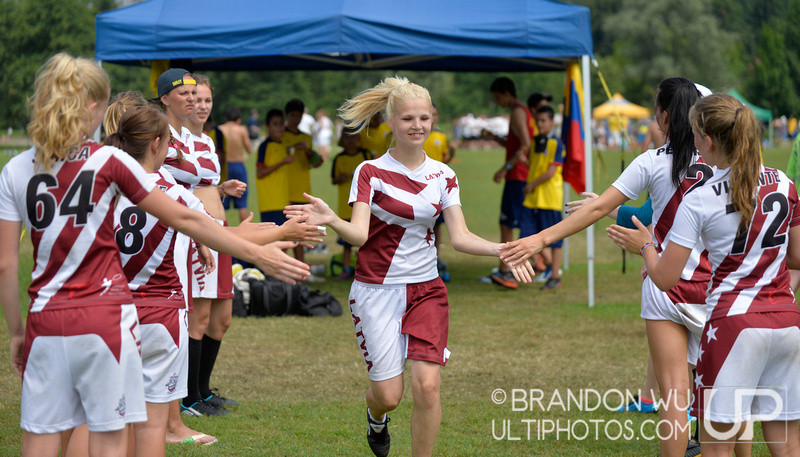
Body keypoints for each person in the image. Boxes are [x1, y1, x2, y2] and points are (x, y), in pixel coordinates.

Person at [0, 53, 310, 457]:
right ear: (94, 105)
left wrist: (17, 332)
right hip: (107, 316)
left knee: (43, 438)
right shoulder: (108, 162)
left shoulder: (16, 168)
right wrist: (257, 254)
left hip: (45, 317)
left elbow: (7, 263)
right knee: (113, 435)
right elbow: (188, 219)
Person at [284, 76, 534, 457]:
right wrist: (333, 219)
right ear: (390, 121)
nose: (417, 126)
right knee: (388, 395)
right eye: (407, 119)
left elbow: (461, 237)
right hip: (376, 291)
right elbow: (358, 235)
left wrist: (503, 249)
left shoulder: (444, 176)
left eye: (424, 117)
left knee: (427, 386)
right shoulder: (369, 172)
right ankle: (375, 416)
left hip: (427, 290)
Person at [500, 78, 711, 457]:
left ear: (663, 116)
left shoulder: (651, 161)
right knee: (715, 396)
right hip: (713, 287)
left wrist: (539, 239)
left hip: (664, 285)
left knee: (674, 395)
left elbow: (598, 209)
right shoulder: (719, 163)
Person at [109, 104, 323, 457]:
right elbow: (212, 233)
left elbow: (214, 233)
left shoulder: (106, 183)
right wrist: (277, 235)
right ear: (155, 144)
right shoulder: (167, 192)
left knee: (109, 419)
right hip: (160, 311)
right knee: (150, 424)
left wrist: (260, 233)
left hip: (112, 310)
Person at [607, 94, 795, 457]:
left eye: (693, 134)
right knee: (787, 446)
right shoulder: (785, 183)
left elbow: (664, 278)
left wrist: (646, 245)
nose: (689, 142)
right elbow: (798, 255)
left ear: (708, 142)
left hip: (734, 325)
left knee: (715, 448)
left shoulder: (700, 197)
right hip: (787, 323)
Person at [182, 75, 246, 419]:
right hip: (199, 234)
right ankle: (189, 398)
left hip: (218, 231)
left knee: (222, 320)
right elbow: (175, 193)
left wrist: (221, 190)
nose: (201, 105)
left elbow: (201, 187)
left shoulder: (207, 140)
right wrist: (198, 235)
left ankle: (203, 390)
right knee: (200, 316)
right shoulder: (172, 140)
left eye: (206, 100)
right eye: (194, 98)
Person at [484, 76, 537, 289]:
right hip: (520, 174)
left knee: (508, 224)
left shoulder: (516, 112)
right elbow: (516, 143)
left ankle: (507, 271)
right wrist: (495, 138)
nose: (497, 102)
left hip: (517, 175)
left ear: (506, 93)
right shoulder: (522, 111)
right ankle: (508, 268)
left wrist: (504, 169)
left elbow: (524, 145)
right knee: (513, 222)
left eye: (498, 97)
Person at [522, 105, 565, 290]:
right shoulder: (534, 142)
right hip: (533, 199)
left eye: (543, 121)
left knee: (555, 240)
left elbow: (550, 172)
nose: (540, 124)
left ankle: (555, 275)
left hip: (549, 198)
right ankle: (547, 266)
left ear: (552, 122)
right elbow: (533, 165)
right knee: (528, 234)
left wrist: (531, 184)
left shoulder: (556, 143)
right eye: (537, 120)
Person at [283, 98, 323, 274]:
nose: (296, 119)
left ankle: (301, 268)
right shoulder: (281, 135)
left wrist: (307, 151)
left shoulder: (306, 137)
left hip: (302, 189)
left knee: (300, 231)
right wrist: (292, 147)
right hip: (283, 189)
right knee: (282, 232)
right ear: (287, 115)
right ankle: (280, 267)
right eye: (292, 115)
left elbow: (316, 162)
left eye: (298, 116)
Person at [330, 127, 372, 280]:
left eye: (353, 137)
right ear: (342, 140)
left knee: (365, 240)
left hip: (365, 206)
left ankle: (365, 269)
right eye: (347, 137)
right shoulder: (339, 158)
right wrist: (341, 178)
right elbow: (333, 179)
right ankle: (346, 269)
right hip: (345, 206)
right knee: (346, 243)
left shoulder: (365, 155)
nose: (350, 141)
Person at [423, 104, 456, 280]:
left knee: (437, 224)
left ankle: (436, 257)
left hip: (436, 185)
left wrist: (452, 153)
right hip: (419, 184)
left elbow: (444, 162)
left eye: (435, 114)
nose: (432, 117)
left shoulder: (441, 136)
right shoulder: (418, 136)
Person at [256, 109, 293, 227]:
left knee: (288, 240)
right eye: (275, 124)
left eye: (281, 123)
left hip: (283, 202)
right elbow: (259, 173)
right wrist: (282, 162)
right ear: (267, 126)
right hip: (270, 203)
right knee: (275, 242)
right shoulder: (264, 146)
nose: (279, 127)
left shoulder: (283, 145)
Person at [219, 106, 253, 223]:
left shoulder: (219, 129)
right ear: (238, 119)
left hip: (223, 167)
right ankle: (244, 231)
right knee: (242, 202)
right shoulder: (242, 129)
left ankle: (220, 230)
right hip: (238, 165)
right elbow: (249, 149)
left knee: (221, 200)